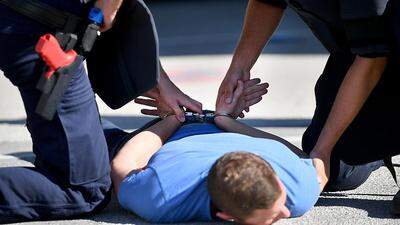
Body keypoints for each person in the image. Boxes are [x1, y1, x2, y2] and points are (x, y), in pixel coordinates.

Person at [0, 0, 201, 222]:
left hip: (35, 18)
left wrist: (158, 77)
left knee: (94, 146)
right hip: (33, 21)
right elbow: (107, 12)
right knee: (83, 190)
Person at [107, 80, 381, 225]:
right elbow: (125, 162)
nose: (286, 213)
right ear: (228, 217)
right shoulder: (163, 197)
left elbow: (305, 156)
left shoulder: (297, 186)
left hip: (214, 128)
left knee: (346, 174)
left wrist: (225, 121)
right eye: (273, 216)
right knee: (98, 155)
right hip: (169, 136)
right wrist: (174, 119)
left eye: (280, 204)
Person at [217, 0, 400, 211]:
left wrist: (323, 150)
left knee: (323, 153)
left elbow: (372, 60)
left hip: (376, 54)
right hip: (365, 50)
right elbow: (267, 2)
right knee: (336, 169)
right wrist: (238, 71)